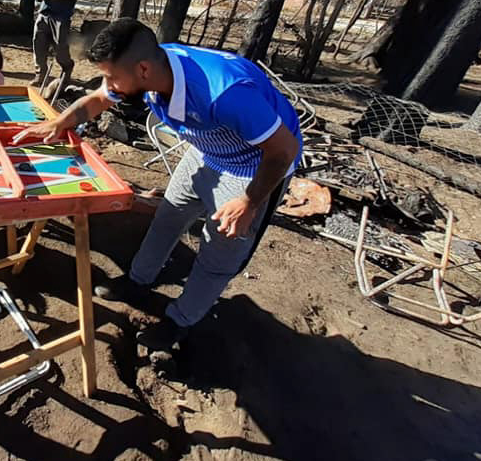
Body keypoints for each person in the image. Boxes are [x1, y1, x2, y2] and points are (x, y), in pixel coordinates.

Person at [16, 19, 302, 351]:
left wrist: (250, 201)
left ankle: (181, 320)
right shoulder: (150, 71)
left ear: (143, 70)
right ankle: (138, 281)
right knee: (168, 216)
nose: (108, 85)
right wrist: (58, 122)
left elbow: (283, 151)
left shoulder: (224, 92)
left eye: (112, 77)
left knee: (218, 251)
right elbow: (98, 99)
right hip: (207, 149)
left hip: (254, 167)